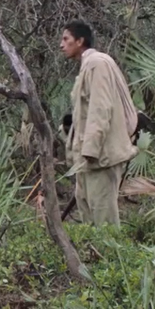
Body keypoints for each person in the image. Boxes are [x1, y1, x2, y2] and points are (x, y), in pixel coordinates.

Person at [61, 20, 138, 226]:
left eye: (66, 39)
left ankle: (110, 258)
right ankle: (91, 257)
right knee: (88, 216)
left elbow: (101, 108)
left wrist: (91, 150)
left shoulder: (98, 63)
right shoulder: (88, 65)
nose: (62, 44)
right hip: (88, 159)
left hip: (100, 158)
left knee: (103, 220)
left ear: (80, 41)